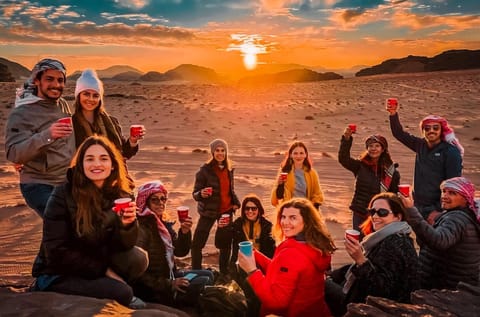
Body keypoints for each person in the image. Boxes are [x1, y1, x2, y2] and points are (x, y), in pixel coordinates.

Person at [31, 135, 148, 309]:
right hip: (59, 271)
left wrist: (127, 225)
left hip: (93, 260)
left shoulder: (117, 195)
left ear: (113, 164)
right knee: (123, 292)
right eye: (89, 159)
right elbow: (55, 252)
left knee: (138, 258)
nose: (97, 164)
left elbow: (123, 246)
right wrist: (104, 271)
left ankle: (109, 285)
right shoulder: (63, 195)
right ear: (81, 164)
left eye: (103, 158)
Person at [324, 192, 418, 317]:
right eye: (372, 211)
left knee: (321, 286)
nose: (375, 216)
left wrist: (360, 260)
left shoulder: (396, 243)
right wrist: (335, 274)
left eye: (382, 212)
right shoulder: (385, 237)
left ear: (398, 217)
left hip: (380, 309)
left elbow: (382, 291)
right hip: (368, 300)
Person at [238, 198, 336, 317]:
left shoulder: (291, 254)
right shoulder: (312, 245)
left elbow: (276, 303)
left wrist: (252, 271)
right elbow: (281, 272)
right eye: (283, 217)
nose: (285, 222)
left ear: (306, 221)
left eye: (292, 218)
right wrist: (256, 255)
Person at [5, 58, 75, 217]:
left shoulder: (62, 104)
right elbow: (13, 153)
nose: (56, 85)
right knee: (63, 221)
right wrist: (47, 135)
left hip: (65, 181)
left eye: (60, 80)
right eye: (49, 79)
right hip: (38, 183)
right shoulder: (22, 113)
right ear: (37, 80)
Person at [133, 180, 214, 307]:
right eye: (155, 200)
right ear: (146, 202)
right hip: (156, 286)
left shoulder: (163, 224)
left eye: (163, 199)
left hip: (170, 275)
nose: (160, 203)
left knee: (209, 275)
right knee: (203, 281)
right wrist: (170, 284)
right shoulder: (141, 229)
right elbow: (138, 274)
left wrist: (184, 232)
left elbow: (180, 251)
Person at [387, 102, 463, 224]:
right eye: (427, 128)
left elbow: (453, 185)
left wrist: (440, 210)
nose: (431, 131)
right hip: (417, 206)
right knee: (421, 240)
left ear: (441, 130)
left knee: (435, 241)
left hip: (436, 210)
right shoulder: (420, 145)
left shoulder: (450, 152)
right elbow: (399, 134)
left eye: (435, 128)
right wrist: (393, 114)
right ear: (423, 131)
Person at [399, 177, 480, 290]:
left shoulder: (456, 219)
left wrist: (411, 211)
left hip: (444, 289)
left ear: (465, 198)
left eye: (452, 193)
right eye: (443, 191)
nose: (444, 196)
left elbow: (439, 241)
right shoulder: (466, 215)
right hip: (455, 286)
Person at [191, 138, 241, 279]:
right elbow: (195, 194)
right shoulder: (204, 171)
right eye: (217, 150)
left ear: (226, 152)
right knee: (197, 244)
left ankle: (224, 272)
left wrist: (236, 203)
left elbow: (230, 190)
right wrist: (201, 193)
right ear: (212, 152)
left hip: (226, 211)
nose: (220, 153)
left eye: (223, 150)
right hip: (208, 211)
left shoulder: (229, 169)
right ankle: (196, 271)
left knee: (225, 244)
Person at [338, 130, 400, 238]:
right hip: (360, 212)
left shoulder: (391, 172)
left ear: (383, 149)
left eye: (377, 146)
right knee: (361, 244)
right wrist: (346, 139)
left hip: (380, 214)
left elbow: (393, 196)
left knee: (378, 244)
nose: (373, 149)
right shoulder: (360, 166)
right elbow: (343, 159)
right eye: (370, 146)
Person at [72, 69, 144, 158]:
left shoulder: (112, 122)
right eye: (86, 94)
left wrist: (133, 141)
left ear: (100, 99)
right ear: (78, 96)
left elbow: (124, 153)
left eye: (95, 95)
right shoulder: (71, 125)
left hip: (113, 171)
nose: (91, 99)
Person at [229, 193, 276, 316]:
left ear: (259, 210)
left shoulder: (267, 226)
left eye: (254, 208)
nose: (250, 211)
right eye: (247, 208)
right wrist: (222, 229)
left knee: (253, 290)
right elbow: (222, 243)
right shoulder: (237, 224)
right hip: (240, 263)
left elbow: (271, 252)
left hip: (261, 264)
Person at [271, 141, 324, 208]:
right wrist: (280, 185)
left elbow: (317, 194)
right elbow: (277, 198)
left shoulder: (312, 173)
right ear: (290, 155)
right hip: (289, 209)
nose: (298, 156)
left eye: (301, 153)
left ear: (305, 155)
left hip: (306, 209)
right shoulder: (285, 171)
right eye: (295, 153)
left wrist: (312, 208)